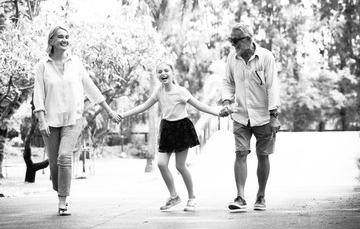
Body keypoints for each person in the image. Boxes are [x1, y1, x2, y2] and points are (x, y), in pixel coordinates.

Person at [33, 26, 121, 216]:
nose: (65, 39)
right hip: (50, 120)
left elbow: (92, 89)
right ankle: (60, 189)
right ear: (51, 41)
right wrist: (41, 118)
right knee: (55, 164)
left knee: (64, 157)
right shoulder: (42, 66)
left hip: (74, 118)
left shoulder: (76, 64)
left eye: (67, 37)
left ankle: (62, 201)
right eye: (60, 37)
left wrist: (109, 111)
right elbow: (38, 93)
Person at [120, 61, 222, 212]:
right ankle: (174, 196)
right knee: (161, 164)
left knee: (180, 166)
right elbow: (143, 106)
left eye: (166, 70)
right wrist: (122, 115)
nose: (163, 73)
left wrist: (218, 112)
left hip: (181, 127)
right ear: (157, 76)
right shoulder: (158, 91)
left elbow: (199, 105)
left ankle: (192, 198)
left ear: (173, 73)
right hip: (167, 128)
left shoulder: (181, 91)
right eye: (159, 71)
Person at [220, 22, 281, 212]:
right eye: (231, 40)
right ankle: (240, 197)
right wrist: (227, 101)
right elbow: (227, 82)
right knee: (240, 153)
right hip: (240, 115)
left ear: (248, 39)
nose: (233, 44)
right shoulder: (232, 57)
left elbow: (272, 86)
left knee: (263, 156)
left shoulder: (266, 56)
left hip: (264, 116)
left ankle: (261, 196)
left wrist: (274, 115)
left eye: (236, 40)